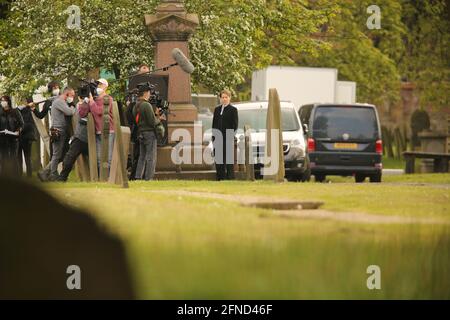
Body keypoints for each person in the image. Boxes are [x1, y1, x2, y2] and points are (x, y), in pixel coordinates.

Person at [37, 87, 76, 181]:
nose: (73, 98)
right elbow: (69, 112)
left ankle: (45, 173)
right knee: (56, 155)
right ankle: (53, 175)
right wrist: (73, 106)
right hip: (58, 130)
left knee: (59, 154)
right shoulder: (59, 102)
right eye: (72, 95)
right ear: (66, 94)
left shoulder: (60, 101)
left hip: (60, 130)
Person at [79, 78, 115, 173]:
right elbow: (82, 113)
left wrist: (91, 101)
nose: (98, 86)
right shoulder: (93, 100)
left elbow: (99, 111)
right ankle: (101, 180)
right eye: (97, 85)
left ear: (106, 87)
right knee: (99, 158)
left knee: (108, 158)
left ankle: (108, 179)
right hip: (98, 131)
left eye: (100, 85)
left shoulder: (108, 99)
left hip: (109, 131)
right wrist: (86, 101)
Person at [132, 83, 164, 181]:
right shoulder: (147, 105)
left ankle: (138, 177)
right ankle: (149, 178)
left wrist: (155, 115)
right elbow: (152, 122)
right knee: (151, 157)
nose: (150, 94)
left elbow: (139, 119)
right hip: (149, 133)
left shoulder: (136, 105)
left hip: (140, 133)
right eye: (149, 92)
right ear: (145, 93)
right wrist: (159, 118)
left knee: (142, 156)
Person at [126, 64, 152, 180]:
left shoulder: (152, 89)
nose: (145, 76)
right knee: (138, 154)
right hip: (138, 128)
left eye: (147, 73)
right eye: (143, 73)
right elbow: (129, 112)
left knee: (146, 155)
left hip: (148, 127)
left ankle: (141, 176)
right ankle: (135, 176)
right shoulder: (133, 91)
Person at [58, 101, 90, 182]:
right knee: (69, 158)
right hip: (79, 137)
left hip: (91, 138)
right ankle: (62, 177)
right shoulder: (79, 105)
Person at [212, 89, 238, 180]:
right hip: (218, 138)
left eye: (226, 97)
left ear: (229, 98)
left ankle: (230, 178)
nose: (224, 99)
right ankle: (220, 177)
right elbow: (214, 124)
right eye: (222, 97)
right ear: (220, 98)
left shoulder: (233, 110)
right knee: (219, 159)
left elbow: (235, 125)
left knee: (228, 160)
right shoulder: (217, 109)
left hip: (228, 137)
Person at [0, 95, 24, 176]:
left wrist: (18, 131)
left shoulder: (15, 112)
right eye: (1, 101)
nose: (3, 102)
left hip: (13, 139)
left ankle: (15, 177)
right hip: (2, 139)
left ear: (8, 101)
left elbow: (21, 124)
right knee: (3, 158)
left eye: (4, 100)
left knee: (13, 158)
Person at [16, 98, 39, 178]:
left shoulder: (27, 112)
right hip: (19, 138)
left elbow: (28, 125)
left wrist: (19, 129)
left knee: (27, 157)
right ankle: (20, 174)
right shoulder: (17, 111)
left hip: (25, 138)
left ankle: (28, 174)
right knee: (20, 157)